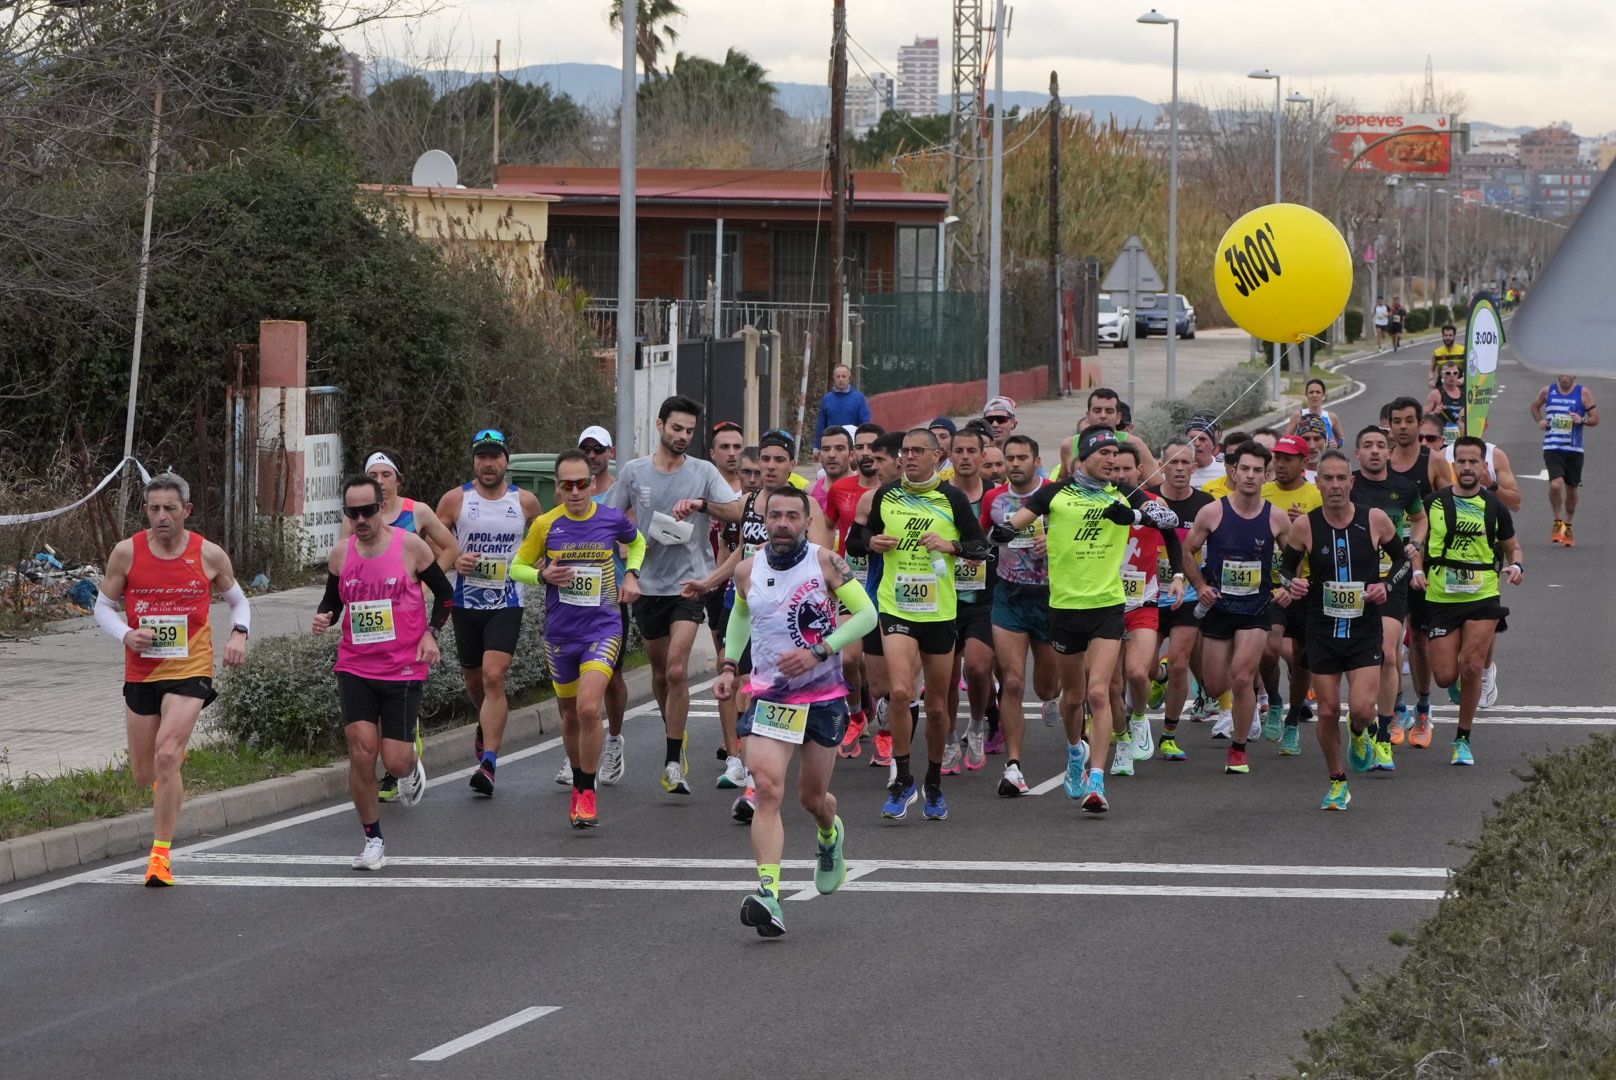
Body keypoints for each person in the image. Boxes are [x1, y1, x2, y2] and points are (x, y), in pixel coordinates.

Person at [716, 485, 877, 937]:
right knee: (767, 789)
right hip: (772, 698)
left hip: (823, 697)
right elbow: (742, 616)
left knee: (811, 799)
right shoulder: (747, 570)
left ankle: (829, 833)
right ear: (764, 521)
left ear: (807, 522)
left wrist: (819, 651)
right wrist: (731, 665)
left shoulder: (826, 562)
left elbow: (867, 616)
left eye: (792, 516)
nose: (782, 523)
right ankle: (770, 895)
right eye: (775, 515)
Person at [995, 427, 1181, 811]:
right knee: (1073, 697)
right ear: (1085, 458)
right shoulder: (1055, 493)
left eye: (1116, 453)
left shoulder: (1125, 492)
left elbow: (1169, 519)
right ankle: (1075, 750)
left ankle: (1097, 782)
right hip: (1063, 608)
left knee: (1099, 692)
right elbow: (1013, 525)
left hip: (1108, 607)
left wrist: (1131, 513)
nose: (1113, 460)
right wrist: (984, 540)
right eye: (1105, 453)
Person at [94, 472, 251, 887]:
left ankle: (160, 858)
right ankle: (169, 771)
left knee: (166, 755)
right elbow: (103, 607)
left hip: (190, 666)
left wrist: (240, 633)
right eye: (154, 508)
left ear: (187, 511)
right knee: (146, 773)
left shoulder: (209, 554)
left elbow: (239, 601)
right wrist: (125, 634)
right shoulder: (126, 553)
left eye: (170, 509)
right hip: (142, 669)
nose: (161, 516)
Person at [849, 427, 992, 821]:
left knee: (937, 706)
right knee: (898, 691)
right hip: (896, 607)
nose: (908, 457)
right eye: (904, 452)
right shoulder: (886, 494)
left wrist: (953, 547)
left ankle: (933, 783)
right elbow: (855, 539)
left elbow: (982, 548)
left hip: (941, 613)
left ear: (935, 456)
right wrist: (870, 543)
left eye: (917, 451)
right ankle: (902, 780)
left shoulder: (953, 498)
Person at [314, 475, 454, 870]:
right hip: (355, 665)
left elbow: (445, 594)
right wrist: (324, 617)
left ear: (381, 507)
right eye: (352, 512)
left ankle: (409, 767)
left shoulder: (410, 546)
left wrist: (432, 633)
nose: (360, 519)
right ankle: (372, 839)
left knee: (394, 760)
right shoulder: (341, 554)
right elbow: (332, 599)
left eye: (367, 511)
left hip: (403, 667)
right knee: (361, 749)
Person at [608, 395, 743, 796]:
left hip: (690, 583)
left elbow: (738, 512)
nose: (683, 436)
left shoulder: (702, 471)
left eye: (689, 431)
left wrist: (703, 505)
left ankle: (671, 762)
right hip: (648, 586)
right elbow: (613, 521)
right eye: (677, 428)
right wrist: (626, 561)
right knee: (661, 674)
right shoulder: (634, 473)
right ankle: (675, 733)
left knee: (679, 669)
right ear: (660, 425)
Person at [512, 451, 644, 829]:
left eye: (581, 484)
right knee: (569, 714)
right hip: (561, 633)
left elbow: (637, 543)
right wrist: (542, 577)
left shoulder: (611, 518)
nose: (574, 492)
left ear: (592, 483)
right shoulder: (545, 525)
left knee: (589, 708)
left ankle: (587, 790)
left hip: (603, 627)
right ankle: (578, 777)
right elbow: (517, 566)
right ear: (557, 488)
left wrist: (631, 575)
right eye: (566, 485)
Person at [1277, 451, 1404, 810]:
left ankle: (1361, 733)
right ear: (1318, 484)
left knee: (1362, 709)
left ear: (1351, 482)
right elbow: (1286, 571)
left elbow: (1404, 561)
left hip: (1364, 628)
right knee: (1329, 710)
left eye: (1340, 479)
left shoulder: (1375, 520)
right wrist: (1293, 585)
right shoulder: (1305, 526)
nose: (1334, 486)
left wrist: (1386, 586)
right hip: (1322, 629)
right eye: (1327, 479)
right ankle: (1337, 781)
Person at [436, 429, 542, 798]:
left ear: (506, 461)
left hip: (507, 601)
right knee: (475, 681)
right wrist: (454, 563)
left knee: (495, 675)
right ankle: (487, 722)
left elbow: (539, 545)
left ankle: (490, 763)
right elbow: (437, 551)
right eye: (481, 456)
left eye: (495, 456)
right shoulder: (454, 501)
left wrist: (539, 566)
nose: (488, 463)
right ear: (474, 461)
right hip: (465, 602)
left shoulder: (525, 502)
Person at [354, 450, 459, 803]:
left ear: (398, 479)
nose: (381, 481)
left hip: (408, 616)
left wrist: (424, 583)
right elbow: (345, 556)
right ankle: (394, 763)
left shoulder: (418, 512)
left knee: (393, 687)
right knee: (371, 691)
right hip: (370, 618)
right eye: (374, 475)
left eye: (387, 474)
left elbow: (450, 547)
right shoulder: (358, 515)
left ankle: (399, 763)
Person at [1181, 442, 1291, 775]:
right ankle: (1238, 707)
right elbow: (1187, 551)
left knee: (1243, 677)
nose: (1250, 475)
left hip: (1256, 608)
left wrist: (1287, 586)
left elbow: (1296, 558)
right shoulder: (1213, 512)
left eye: (1258, 470)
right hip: (1219, 608)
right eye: (1245, 468)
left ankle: (1239, 748)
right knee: (1217, 685)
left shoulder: (1276, 517)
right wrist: (1200, 586)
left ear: (1266, 474)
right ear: (1233, 471)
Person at [1422, 437, 1526, 766]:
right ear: (1453, 467)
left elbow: (1514, 548)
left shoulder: (1495, 506)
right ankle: (1463, 683)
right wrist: (1413, 568)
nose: (1467, 467)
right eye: (1461, 462)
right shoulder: (1433, 504)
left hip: (1482, 595)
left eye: (1474, 462)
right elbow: (1416, 541)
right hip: (1441, 596)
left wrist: (1517, 566)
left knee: (1470, 666)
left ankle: (1462, 739)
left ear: (1484, 467)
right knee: (1443, 676)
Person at [981, 434, 1060, 795]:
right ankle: (1013, 766)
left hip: (1050, 597)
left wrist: (1055, 541)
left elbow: (1081, 536)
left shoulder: (1057, 495)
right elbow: (983, 538)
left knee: (1046, 687)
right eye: (1009, 457)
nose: (1014, 463)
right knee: (1012, 681)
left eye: (1021, 457)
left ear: (1036, 460)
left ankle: (1052, 699)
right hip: (1008, 596)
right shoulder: (993, 499)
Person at [1350, 424, 1427, 766]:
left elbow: (1419, 517)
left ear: (1389, 450)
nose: (1375, 451)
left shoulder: (1404, 487)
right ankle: (1363, 724)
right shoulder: (1346, 484)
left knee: (1386, 653)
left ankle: (1383, 733)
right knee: (1356, 658)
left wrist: (1416, 543)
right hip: (1351, 582)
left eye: (1381, 445)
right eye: (1367, 445)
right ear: (1358, 453)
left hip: (1391, 578)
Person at [1107, 441, 1180, 776]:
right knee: (1110, 685)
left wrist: (1177, 576)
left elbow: (1172, 534)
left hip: (1144, 601)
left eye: (1127, 469)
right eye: (1115, 469)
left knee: (1138, 672)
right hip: (1105, 603)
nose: (1121, 475)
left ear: (1139, 471)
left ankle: (1138, 718)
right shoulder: (1099, 503)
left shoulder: (1153, 503)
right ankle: (1121, 744)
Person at [1149, 438, 1215, 760]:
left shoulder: (1205, 505)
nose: (1178, 469)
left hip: (1187, 596)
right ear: (1161, 466)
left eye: (1184, 463)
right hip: (1149, 596)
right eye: (1172, 462)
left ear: (1194, 467)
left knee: (1179, 663)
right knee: (1143, 669)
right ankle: (1156, 677)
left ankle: (1169, 734)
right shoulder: (1148, 502)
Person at [939, 426, 997, 775]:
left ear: (981, 455)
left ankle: (976, 724)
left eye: (970, 451)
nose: (963, 456)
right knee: (944, 676)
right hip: (942, 596)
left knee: (977, 667)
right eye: (957, 450)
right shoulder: (939, 495)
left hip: (985, 597)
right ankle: (947, 741)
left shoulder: (995, 496)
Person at [824, 423, 884, 760]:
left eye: (871, 447)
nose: (865, 454)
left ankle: (888, 729)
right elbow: (828, 528)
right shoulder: (841, 489)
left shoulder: (894, 489)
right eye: (859, 447)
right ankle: (857, 715)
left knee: (881, 673)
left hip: (888, 585)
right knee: (848, 657)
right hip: (850, 582)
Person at [1260, 435, 1322, 752]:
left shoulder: (1315, 495)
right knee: (1268, 650)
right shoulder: (1263, 492)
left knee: (1301, 661)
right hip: (1271, 585)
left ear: (1303, 462)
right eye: (1277, 458)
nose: (1280, 464)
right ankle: (1273, 700)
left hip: (1306, 586)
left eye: (1287, 458)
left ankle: (1293, 720)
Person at [577, 425, 631, 785]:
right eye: (586, 450)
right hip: (573, 602)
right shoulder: (571, 493)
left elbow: (634, 542)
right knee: (573, 682)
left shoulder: (619, 494)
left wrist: (630, 573)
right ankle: (579, 752)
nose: (593, 455)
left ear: (610, 452)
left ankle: (612, 740)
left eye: (598, 449)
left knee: (610, 677)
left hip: (610, 600)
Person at [849, 432, 906, 772]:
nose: (873, 462)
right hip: (877, 596)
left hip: (922, 603)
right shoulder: (870, 499)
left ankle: (895, 746)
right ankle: (884, 710)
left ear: (900, 460)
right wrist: (872, 542)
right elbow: (853, 543)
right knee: (883, 685)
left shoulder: (937, 499)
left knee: (904, 686)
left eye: (881, 457)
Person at [1531, 374, 1598, 547]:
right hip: (1552, 447)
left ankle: (1568, 524)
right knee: (1556, 484)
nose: (1564, 377)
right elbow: (1535, 406)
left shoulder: (1583, 393)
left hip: (1574, 449)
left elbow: (1595, 418)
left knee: (1571, 489)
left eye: (1567, 374)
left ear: (1573, 375)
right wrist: (1540, 421)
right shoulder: (1548, 391)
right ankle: (1557, 521)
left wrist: (1581, 420)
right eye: (1561, 374)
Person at [814, 364, 872, 449]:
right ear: (834, 379)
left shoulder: (859, 398)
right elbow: (821, 425)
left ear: (849, 378)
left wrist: (863, 445)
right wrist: (817, 447)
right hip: (831, 445)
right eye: (838, 377)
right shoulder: (827, 399)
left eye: (844, 376)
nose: (841, 379)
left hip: (852, 445)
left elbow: (865, 423)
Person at [1287, 379, 1344, 448]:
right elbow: (1285, 439)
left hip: (1323, 457)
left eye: (1318, 392)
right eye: (1311, 392)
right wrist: (1296, 444)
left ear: (1323, 395)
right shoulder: (1298, 415)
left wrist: (1338, 444)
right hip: (1304, 457)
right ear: (1306, 395)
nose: (1314, 395)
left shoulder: (1331, 417)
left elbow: (1341, 438)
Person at [810, 426, 855, 512]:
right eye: (826, 449)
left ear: (852, 455)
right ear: (820, 456)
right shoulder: (810, 492)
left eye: (839, 449)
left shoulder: (866, 492)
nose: (831, 455)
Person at [1424, 365, 1467, 444]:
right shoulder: (1436, 394)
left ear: (1458, 375)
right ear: (1442, 375)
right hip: (1442, 442)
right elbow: (1423, 418)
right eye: (1448, 373)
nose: (1452, 375)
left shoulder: (1465, 394)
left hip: (1461, 441)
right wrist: (1434, 413)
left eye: (1455, 373)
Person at [1185, 416, 1225, 489]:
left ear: (1213, 444)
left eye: (1202, 439)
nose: (1196, 444)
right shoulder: (1178, 471)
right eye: (1191, 439)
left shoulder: (1225, 469)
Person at [1430, 324, 1464, 389]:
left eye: (1450, 335)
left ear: (1454, 336)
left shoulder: (1463, 351)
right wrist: (1431, 380)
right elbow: (1432, 369)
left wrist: (1463, 379)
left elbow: (1470, 371)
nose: (1448, 338)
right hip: (1442, 384)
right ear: (1442, 336)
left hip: (1459, 384)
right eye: (1445, 335)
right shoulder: (1436, 352)